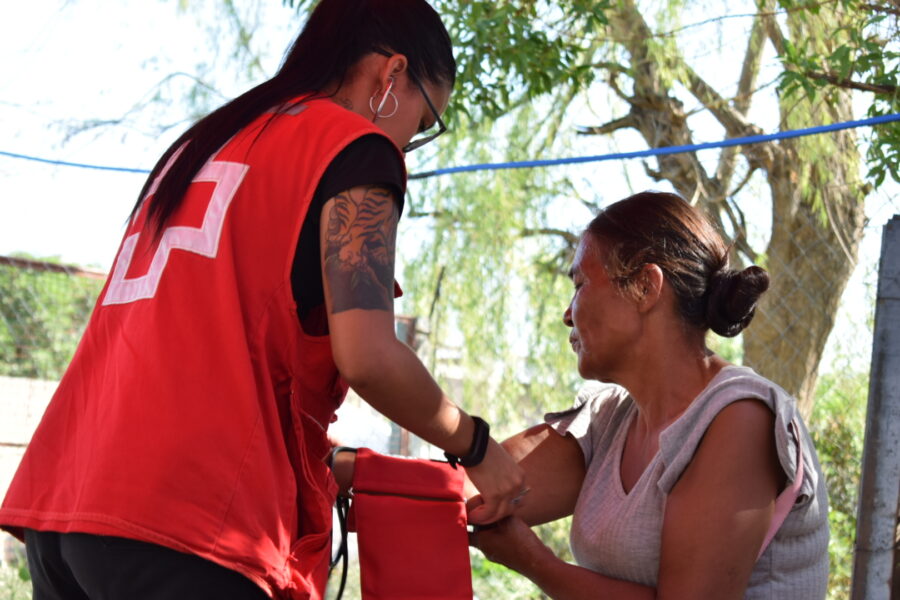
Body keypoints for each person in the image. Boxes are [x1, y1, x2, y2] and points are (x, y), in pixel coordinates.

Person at [0, 1, 525, 598]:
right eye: (425, 119)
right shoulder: (358, 149)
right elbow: (369, 357)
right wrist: (476, 445)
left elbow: (210, 356)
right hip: (188, 522)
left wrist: (321, 460)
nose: (410, 141)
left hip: (66, 504)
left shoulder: (210, 141)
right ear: (392, 74)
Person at [469, 191, 829, 599]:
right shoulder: (610, 418)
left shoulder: (739, 418)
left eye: (580, 284)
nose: (567, 315)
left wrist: (535, 562)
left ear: (645, 287)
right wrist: (452, 435)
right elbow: (479, 492)